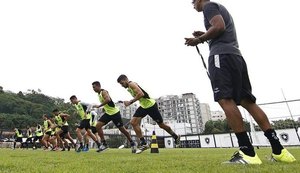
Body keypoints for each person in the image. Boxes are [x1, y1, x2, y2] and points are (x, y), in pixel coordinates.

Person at [184, 0, 296, 164]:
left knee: (225, 99)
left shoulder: (209, 6)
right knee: (247, 101)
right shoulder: (219, 8)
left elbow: (219, 27)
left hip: (221, 57)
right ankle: (279, 151)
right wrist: (204, 34)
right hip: (235, 56)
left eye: (193, 1)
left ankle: (247, 152)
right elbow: (221, 30)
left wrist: (199, 40)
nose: (192, 4)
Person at [117, 75, 181, 154]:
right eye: (120, 84)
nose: (122, 85)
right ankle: (144, 144)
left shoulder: (131, 84)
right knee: (133, 122)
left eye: (122, 83)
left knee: (161, 125)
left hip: (151, 106)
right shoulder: (129, 88)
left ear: (126, 80)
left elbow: (141, 94)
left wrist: (130, 102)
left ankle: (176, 137)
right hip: (144, 106)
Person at [92, 81, 136, 153]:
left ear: (98, 86)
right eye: (92, 87)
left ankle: (132, 143)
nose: (93, 89)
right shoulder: (99, 94)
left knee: (122, 130)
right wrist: (104, 108)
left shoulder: (104, 92)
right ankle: (104, 144)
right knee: (97, 126)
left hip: (115, 113)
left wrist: (99, 106)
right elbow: (108, 103)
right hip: (108, 113)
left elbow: (108, 99)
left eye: (94, 87)